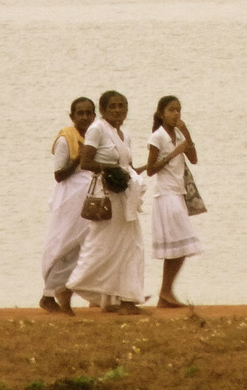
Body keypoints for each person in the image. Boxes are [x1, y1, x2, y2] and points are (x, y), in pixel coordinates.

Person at [60, 90, 147, 315]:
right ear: (103, 110)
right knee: (99, 248)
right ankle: (66, 289)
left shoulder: (124, 135)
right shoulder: (97, 129)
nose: (118, 110)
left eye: (122, 106)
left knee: (131, 246)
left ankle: (126, 300)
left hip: (123, 196)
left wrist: (139, 172)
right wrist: (113, 170)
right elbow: (87, 162)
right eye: (113, 107)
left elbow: (128, 166)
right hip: (106, 196)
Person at [39, 97, 96, 312]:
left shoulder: (95, 135)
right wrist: (78, 159)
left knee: (89, 246)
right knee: (67, 246)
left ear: (94, 115)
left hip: (91, 196)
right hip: (70, 198)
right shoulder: (66, 138)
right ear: (72, 116)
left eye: (89, 113)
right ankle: (49, 295)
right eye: (80, 113)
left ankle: (98, 295)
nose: (84, 117)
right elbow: (59, 175)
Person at [146, 95, 203, 308]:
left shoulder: (178, 134)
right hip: (165, 195)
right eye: (171, 110)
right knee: (182, 242)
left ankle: (166, 293)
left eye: (178, 110)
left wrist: (186, 133)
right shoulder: (158, 137)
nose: (176, 114)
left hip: (178, 194)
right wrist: (172, 155)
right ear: (162, 114)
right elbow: (151, 170)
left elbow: (194, 159)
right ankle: (165, 292)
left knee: (179, 247)